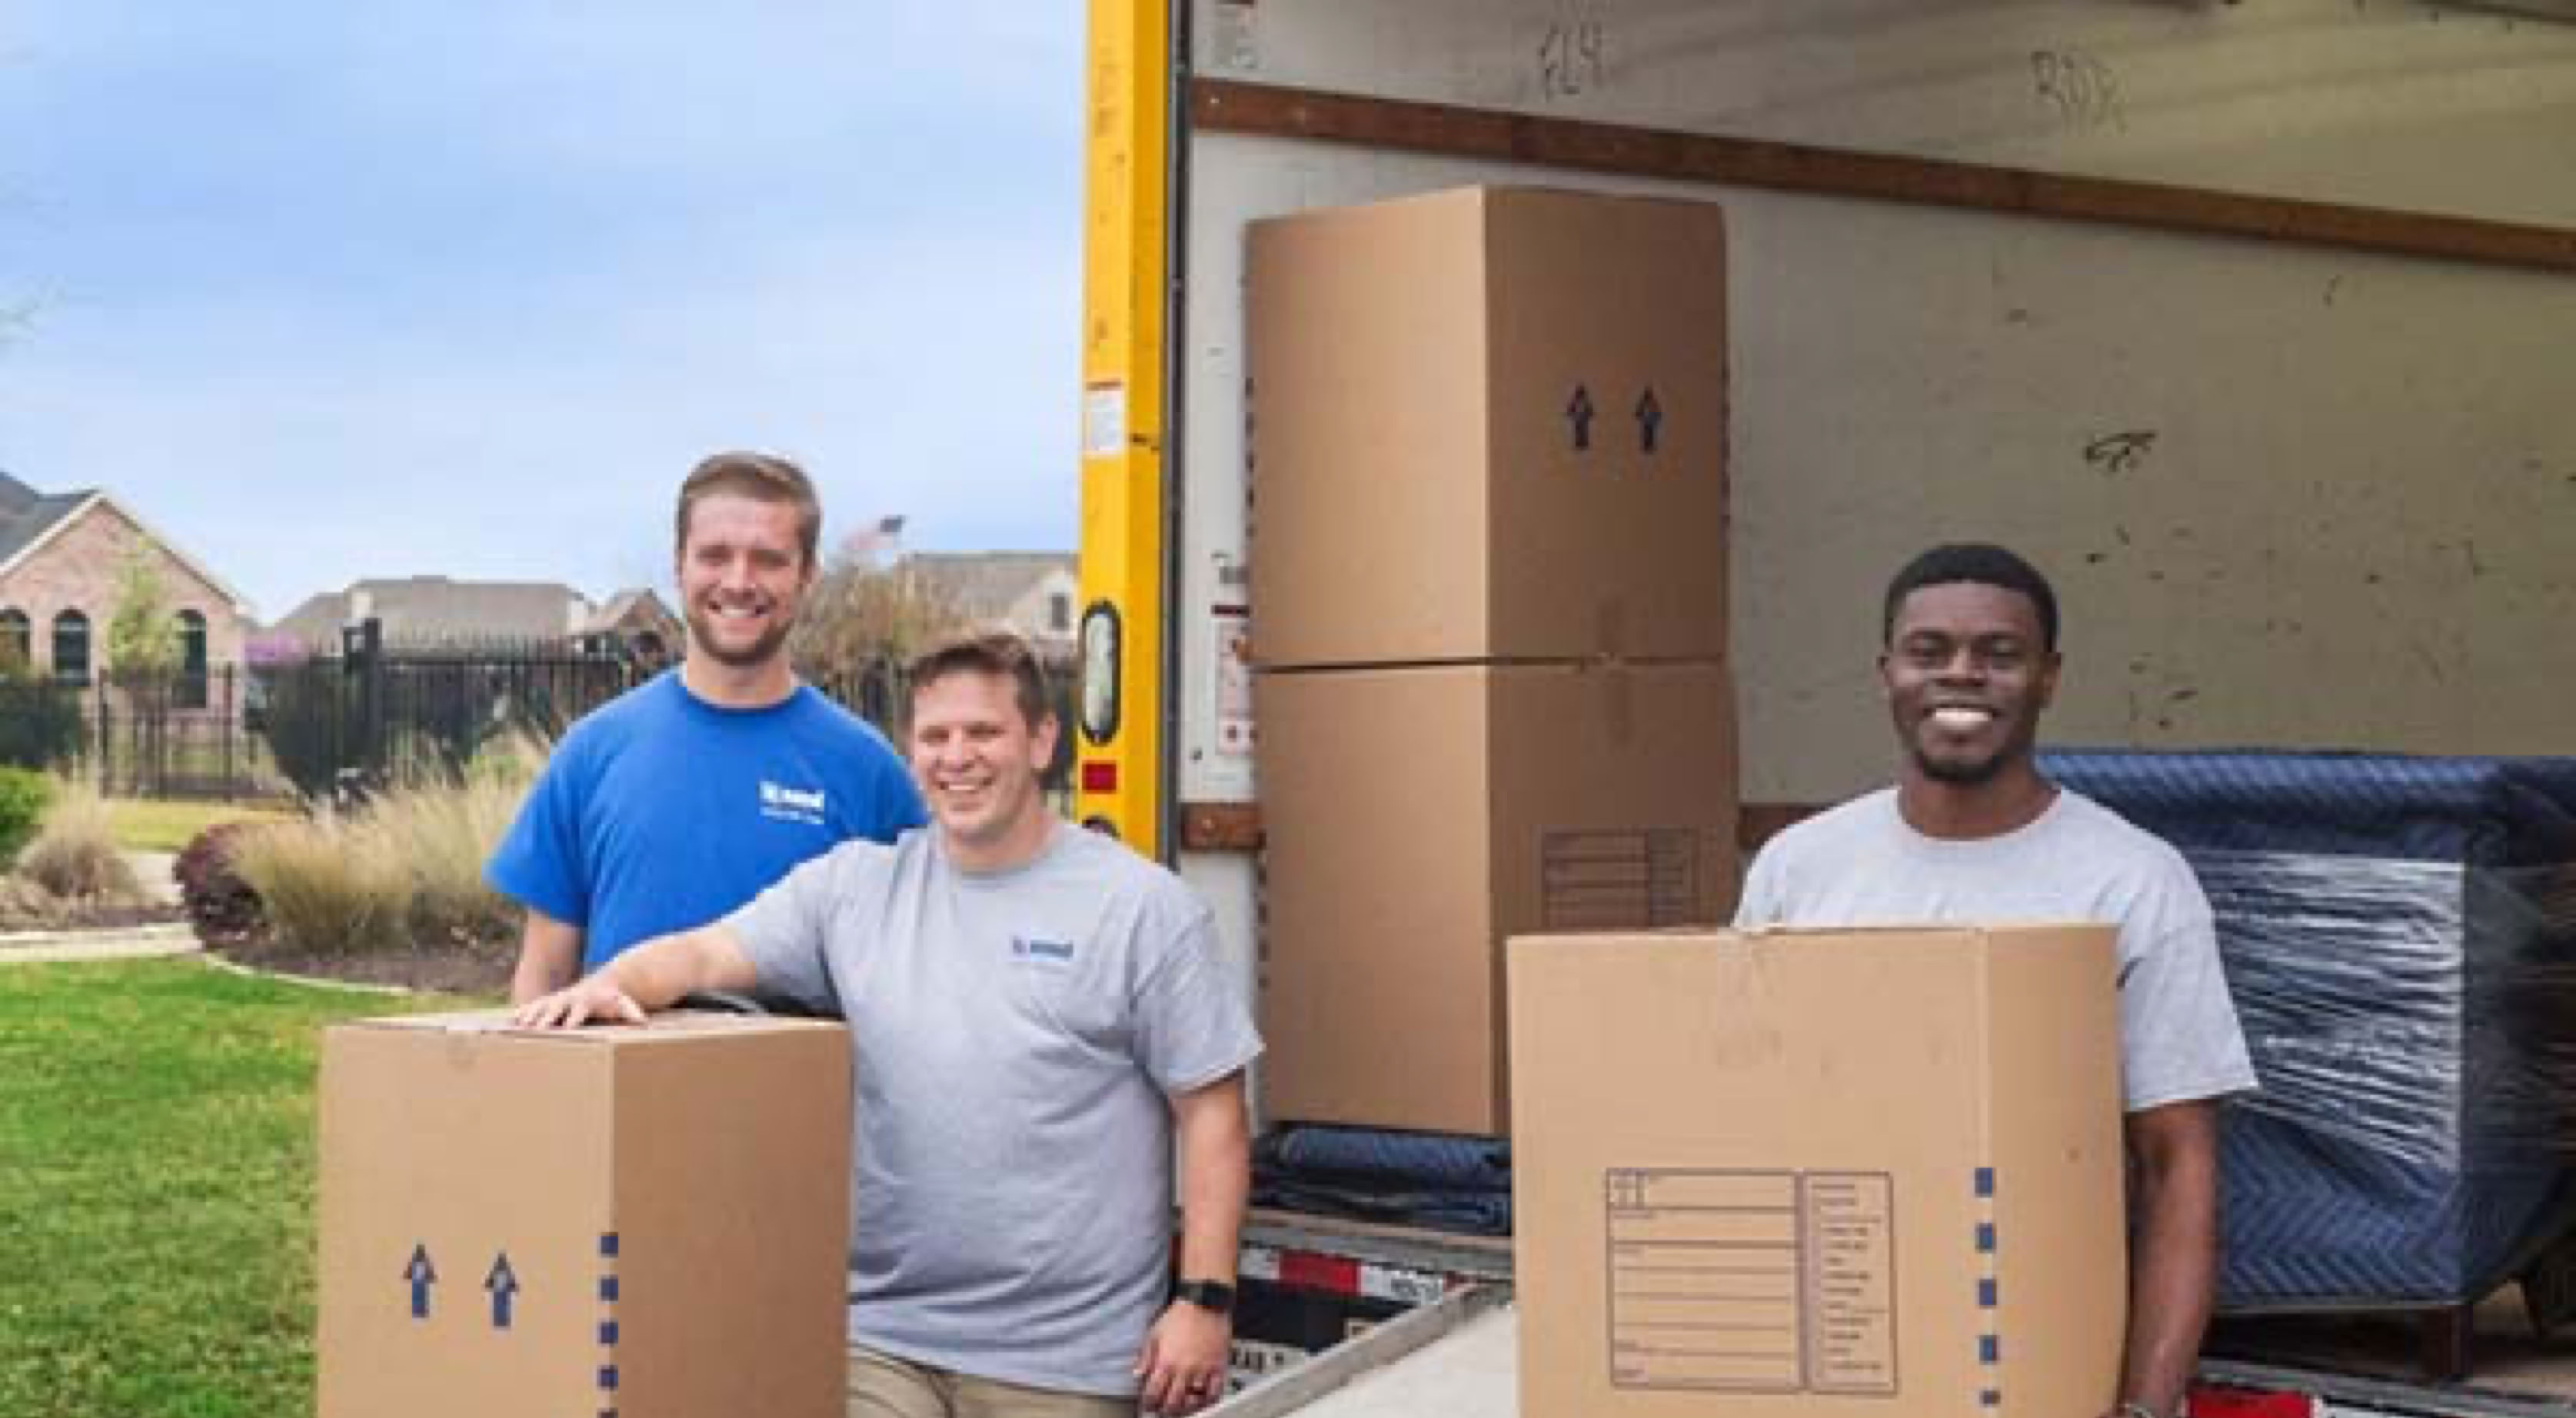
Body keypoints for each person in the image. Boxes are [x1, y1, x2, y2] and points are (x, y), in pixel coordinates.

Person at [515, 631, 1262, 1418]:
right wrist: (610, 983)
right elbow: (702, 952)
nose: (957, 757)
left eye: (984, 732)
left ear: (1042, 741)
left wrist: (1203, 1301)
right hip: (883, 1340)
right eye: (935, 736)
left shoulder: (1140, 908)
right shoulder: (855, 889)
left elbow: (1212, 1112)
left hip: (1064, 1359)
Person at [1735, 542, 2255, 1418]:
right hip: (1836, 1335)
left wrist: (2142, 1408)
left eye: (1999, 654)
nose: (1961, 674)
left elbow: (2177, 1163)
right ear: (1886, 673)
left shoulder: (2130, 879)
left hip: (2039, 1352)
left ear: (2048, 678)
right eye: (1928, 650)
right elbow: (1743, 1122)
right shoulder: (1799, 868)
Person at [488, 451, 924, 1003]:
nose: (738, 582)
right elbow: (544, 977)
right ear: (679, 566)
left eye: (768, 560)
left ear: (807, 576)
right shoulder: (592, 755)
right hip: (626, 1062)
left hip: (804, 1065)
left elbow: (915, 983)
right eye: (715, 556)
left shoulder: (868, 773)